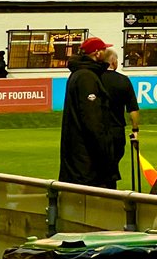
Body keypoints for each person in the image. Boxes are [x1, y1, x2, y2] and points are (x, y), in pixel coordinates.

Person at [59, 37, 117, 188]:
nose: (106, 52)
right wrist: (105, 152)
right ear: (97, 53)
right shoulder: (86, 77)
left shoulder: (80, 74)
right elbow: (92, 120)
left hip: (80, 156)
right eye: (104, 49)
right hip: (86, 160)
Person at [101, 48, 140, 187]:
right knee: (112, 165)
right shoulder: (123, 80)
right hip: (116, 131)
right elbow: (133, 110)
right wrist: (135, 130)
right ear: (113, 62)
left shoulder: (94, 78)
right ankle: (111, 192)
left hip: (97, 130)